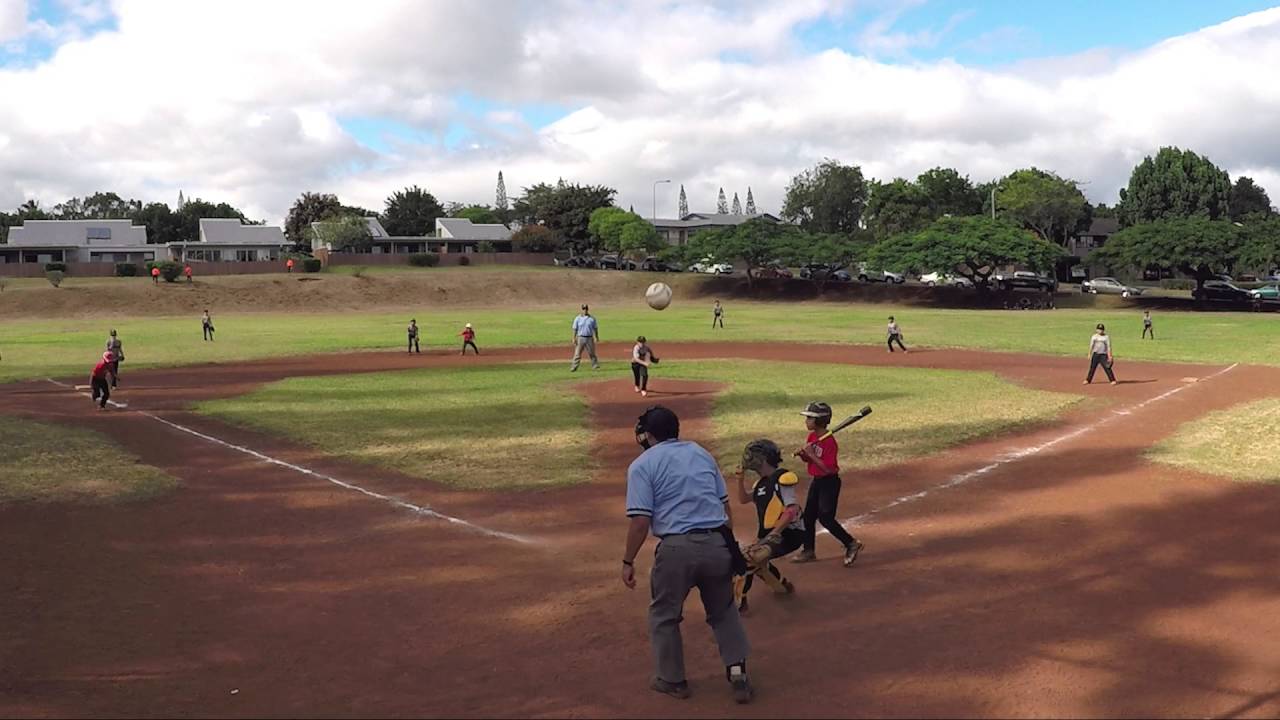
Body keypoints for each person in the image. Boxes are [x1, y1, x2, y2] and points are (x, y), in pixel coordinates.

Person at [622, 406, 754, 704]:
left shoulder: (643, 465)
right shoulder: (700, 453)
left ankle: (672, 680)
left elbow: (640, 521)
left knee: (664, 616)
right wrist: (727, 548)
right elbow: (725, 508)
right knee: (723, 612)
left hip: (676, 550)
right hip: (717, 543)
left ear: (648, 434)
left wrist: (627, 561)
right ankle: (738, 675)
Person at [732, 439, 803, 616]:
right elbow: (743, 499)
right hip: (769, 535)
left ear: (762, 459)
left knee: (747, 561)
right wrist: (740, 480)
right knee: (757, 561)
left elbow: (792, 509)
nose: (748, 458)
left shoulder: (783, 478)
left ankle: (739, 603)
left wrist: (775, 533)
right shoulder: (760, 484)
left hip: (788, 534)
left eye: (753, 455)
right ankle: (782, 586)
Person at [792, 402, 864, 566]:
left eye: (809, 418)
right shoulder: (812, 437)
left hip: (829, 483)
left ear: (818, 421)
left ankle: (851, 543)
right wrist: (804, 455)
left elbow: (829, 469)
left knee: (825, 518)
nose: (806, 421)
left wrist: (811, 454)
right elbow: (811, 461)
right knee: (808, 517)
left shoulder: (829, 442)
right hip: (817, 481)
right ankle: (808, 550)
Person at [570, 304, 599, 371]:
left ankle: (595, 365)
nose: (585, 310)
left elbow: (595, 328)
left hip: (589, 338)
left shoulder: (592, 318)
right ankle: (574, 366)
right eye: (583, 309)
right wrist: (574, 338)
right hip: (580, 338)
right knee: (577, 353)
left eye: (586, 309)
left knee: (592, 353)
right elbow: (575, 328)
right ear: (581, 309)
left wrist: (596, 337)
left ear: (587, 309)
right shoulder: (578, 318)